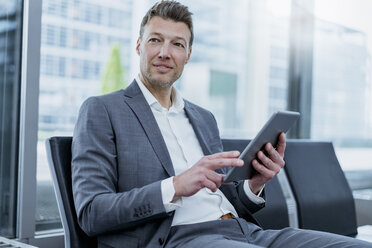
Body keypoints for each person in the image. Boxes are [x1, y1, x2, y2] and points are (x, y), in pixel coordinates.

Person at [71, 1, 372, 247]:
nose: (165, 52)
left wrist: (255, 185)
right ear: (139, 46)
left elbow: (220, 197)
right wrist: (175, 186)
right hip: (175, 240)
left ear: (188, 55)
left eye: (177, 44)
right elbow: (92, 213)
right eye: (155, 40)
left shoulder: (203, 118)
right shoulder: (102, 110)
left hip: (244, 232)